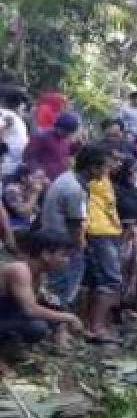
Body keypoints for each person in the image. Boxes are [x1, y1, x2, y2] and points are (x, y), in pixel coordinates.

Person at [40, 144, 110, 308]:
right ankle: (58, 328)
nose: (107, 170)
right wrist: (81, 247)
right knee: (63, 287)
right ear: (93, 167)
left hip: (53, 240)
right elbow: (75, 226)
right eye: (105, 166)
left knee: (57, 286)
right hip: (63, 246)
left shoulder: (67, 177)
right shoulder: (75, 190)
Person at [0, 230, 85, 346]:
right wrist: (69, 317)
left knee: (55, 303)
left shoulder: (39, 274)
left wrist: (61, 329)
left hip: (8, 315)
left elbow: (51, 302)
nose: (67, 260)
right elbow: (31, 310)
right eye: (64, 255)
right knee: (36, 327)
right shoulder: (19, 270)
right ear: (46, 255)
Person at [82, 151, 124, 339]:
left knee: (101, 280)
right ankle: (97, 327)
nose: (116, 165)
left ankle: (93, 323)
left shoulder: (104, 178)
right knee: (111, 279)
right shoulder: (92, 180)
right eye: (110, 162)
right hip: (98, 231)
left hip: (108, 230)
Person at [24, 112, 82, 180]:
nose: (67, 134)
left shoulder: (66, 139)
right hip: (37, 179)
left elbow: (67, 152)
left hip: (54, 181)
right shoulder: (42, 136)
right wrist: (36, 169)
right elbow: (27, 156)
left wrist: (78, 145)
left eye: (69, 133)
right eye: (65, 131)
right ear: (59, 127)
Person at [4, 166, 47, 231]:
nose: (36, 180)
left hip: (24, 223)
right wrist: (35, 193)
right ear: (23, 178)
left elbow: (36, 210)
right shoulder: (12, 190)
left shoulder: (25, 188)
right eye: (33, 177)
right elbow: (24, 213)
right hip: (14, 227)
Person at [0, 89, 30, 177]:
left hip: (11, 162)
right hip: (13, 162)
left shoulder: (8, 114)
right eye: (21, 103)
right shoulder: (9, 115)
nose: (23, 106)